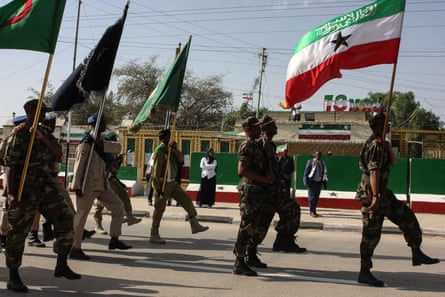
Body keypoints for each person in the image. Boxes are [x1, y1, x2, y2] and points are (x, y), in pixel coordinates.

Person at [3, 99, 80, 292]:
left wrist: (41, 138)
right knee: (18, 232)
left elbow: (58, 152)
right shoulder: (18, 134)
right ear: (30, 111)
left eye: (45, 111)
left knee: (66, 218)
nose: (44, 115)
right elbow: (10, 166)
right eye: (40, 111)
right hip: (23, 187)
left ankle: (61, 264)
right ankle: (13, 276)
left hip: (44, 186)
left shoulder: (43, 132)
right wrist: (12, 194)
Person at [355, 112, 439, 287]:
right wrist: (376, 197)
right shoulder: (374, 145)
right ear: (379, 125)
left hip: (383, 193)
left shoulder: (381, 144)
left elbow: (392, 163)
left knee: (407, 217)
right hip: (373, 194)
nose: (389, 125)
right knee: (371, 234)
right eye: (386, 123)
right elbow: (373, 172)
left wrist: (388, 146)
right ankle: (364, 272)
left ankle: (416, 251)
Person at [70, 113, 131, 261]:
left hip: (102, 184)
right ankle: (74, 248)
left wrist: (101, 143)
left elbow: (117, 148)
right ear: (95, 124)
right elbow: (79, 166)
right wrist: (76, 185)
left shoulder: (102, 141)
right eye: (102, 122)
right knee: (81, 216)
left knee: (118, 206)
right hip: (88, 185)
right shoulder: (86, 143)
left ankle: (115, 238)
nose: (105, 124)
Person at [149, 129, 209, 244]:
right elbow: (155, 172)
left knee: (186, 199)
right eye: (168, 136)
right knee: (160, 208)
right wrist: (157, 188)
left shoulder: (170, 150)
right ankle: (154, 233)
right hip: (163, 184)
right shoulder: (160, 151)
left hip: (172, 183)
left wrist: (175, 149)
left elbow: (181, 160)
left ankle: (194, 223)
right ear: (163, 138)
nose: (170, 138)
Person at [233, 116, 275, 277]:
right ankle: (239, 261)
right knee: (246, 226)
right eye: (257, 127)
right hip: (250, 192)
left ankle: (249, 256)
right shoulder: (247, 145)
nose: (260, 129)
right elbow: (242, 170)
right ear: (249, 129)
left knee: (256, 226)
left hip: (259, 193)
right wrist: (265, 179)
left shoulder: (257, 145)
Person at [93, 131, 141, 234]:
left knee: (123, 194)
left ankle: (129, 216)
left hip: (111, 179)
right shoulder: (102, 153)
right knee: (100, 204)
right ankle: (98, 224)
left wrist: (118, 161)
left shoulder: (112, 154)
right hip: (101, 180)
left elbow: (114, 170)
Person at [303, 151, 328, 217]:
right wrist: (305, 181)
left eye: (319, 155)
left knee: (316, 197)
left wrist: (324, 183)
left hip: (318, 183)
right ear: (315, 155)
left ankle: (314, 211)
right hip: (312, 182)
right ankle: (311, 212)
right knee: (312, 198)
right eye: (317, 155)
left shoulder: (322, 163)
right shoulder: (311, 162)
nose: (318, 156)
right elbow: (306, 172)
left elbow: (324, 173)